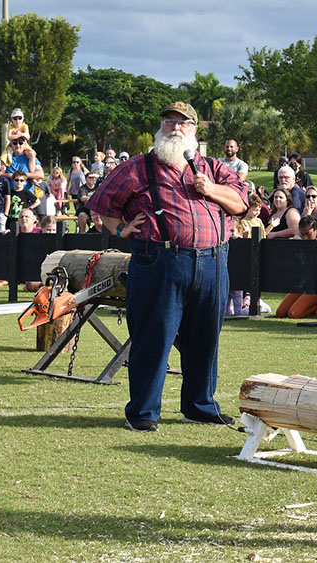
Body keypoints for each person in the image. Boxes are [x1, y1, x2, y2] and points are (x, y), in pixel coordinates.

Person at [86, 100, 249, 431]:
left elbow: (241, 204)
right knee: (154, 338)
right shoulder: (138, 167)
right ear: (160, 128)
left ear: (194, 131)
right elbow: (101, 203)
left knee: (205, 340)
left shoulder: (214, 169)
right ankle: (144, 413)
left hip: (213, 263)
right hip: (160, 261)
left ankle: (200, 406)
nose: (175, 128)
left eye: (183, 123)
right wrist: (119, 228)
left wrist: (211, 189)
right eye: (168, 122)